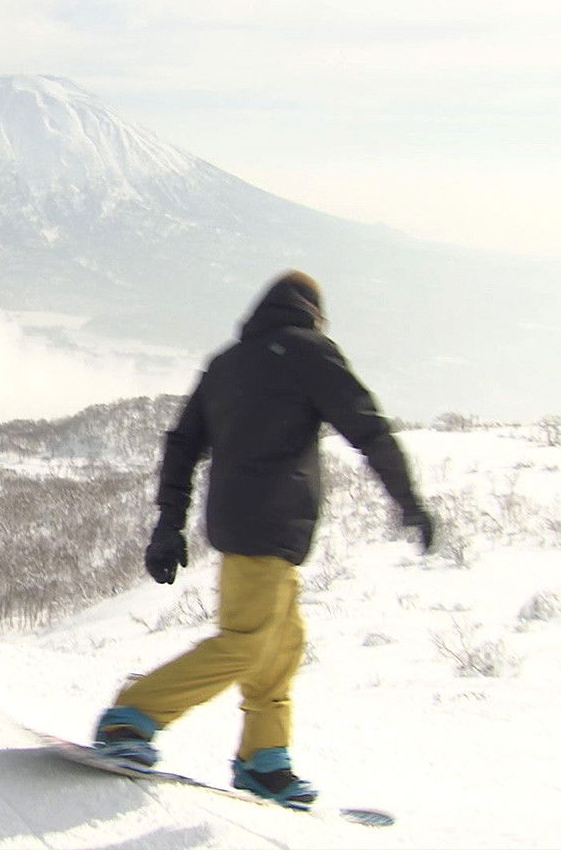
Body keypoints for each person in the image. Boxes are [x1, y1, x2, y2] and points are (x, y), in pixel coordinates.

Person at [93, 270, 435, 808]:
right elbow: (367, 427)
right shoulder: (310, 353)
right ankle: (132, 716)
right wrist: (407, 498)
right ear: (314, 312)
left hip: (244, 524)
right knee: (247, 641)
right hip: (271, 525)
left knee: (282, 645)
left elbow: (181, 445)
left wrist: (169, 526)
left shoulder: (228, 361)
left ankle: (264, 758)